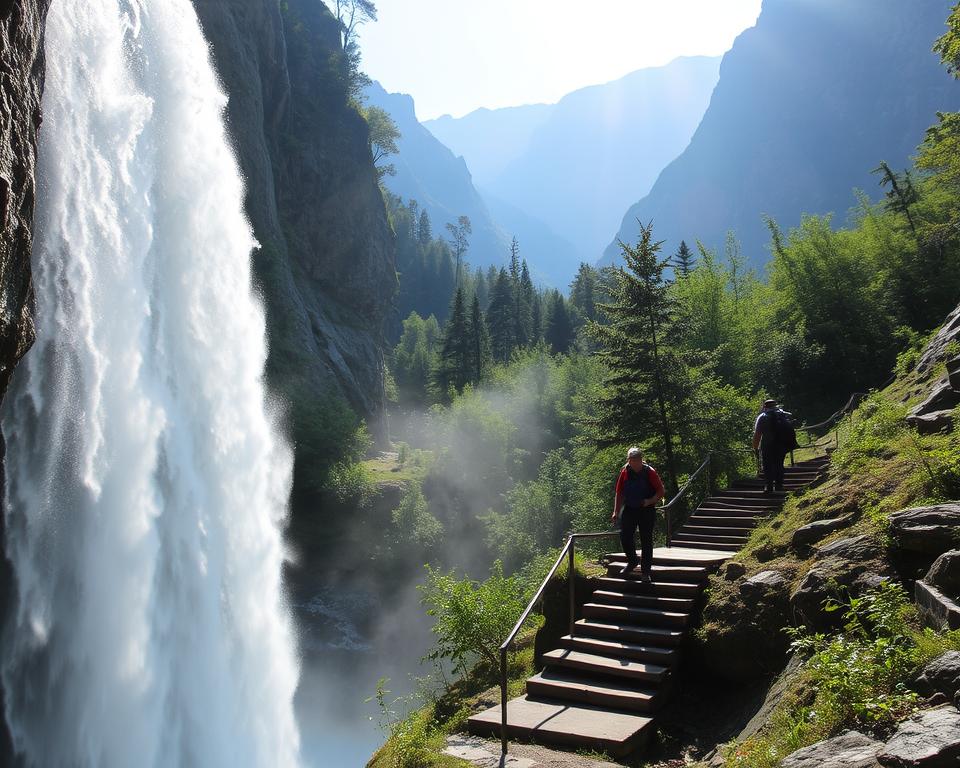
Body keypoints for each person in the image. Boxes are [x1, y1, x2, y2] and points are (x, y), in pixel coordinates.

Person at [611, 447, 665, 582]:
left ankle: (646, 572)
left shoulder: (649, 472)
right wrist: (616, 511)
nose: (633, 462)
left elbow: (661, 491)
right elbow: (619, 492)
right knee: (625, 536)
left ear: (641, 459)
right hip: (630, 508)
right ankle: (632, 561)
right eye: (631, 460)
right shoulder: (625, 472)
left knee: (646, 540)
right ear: (628, 460)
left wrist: (650, 501)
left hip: (646, 509)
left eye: (636, 459)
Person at [752, 398, 791, 494]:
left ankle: (769, 486)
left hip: (767, 445)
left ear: (764, 407)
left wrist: (755, 448)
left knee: (767, 466)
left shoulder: (762, 417)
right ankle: (779, 485)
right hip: (781, 444)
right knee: (779, 464)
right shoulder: (783, 415)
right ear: (775, 405)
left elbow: (757, 434)